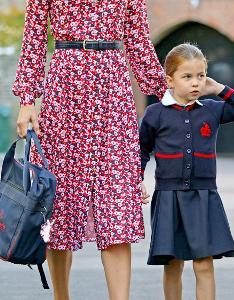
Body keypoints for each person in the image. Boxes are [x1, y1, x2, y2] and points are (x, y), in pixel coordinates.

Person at [13, 0, 167, 299]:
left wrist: (168, 95)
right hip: (63, 87)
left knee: (116, 200)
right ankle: (61, 297)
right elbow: (33, 36)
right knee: (58, 203)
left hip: (112, 87)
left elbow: (138, 41)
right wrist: (27, 99)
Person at [139, 43, 234, 300]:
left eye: (201, 76)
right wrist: (137, 180)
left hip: (204, 196)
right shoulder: (155, 113)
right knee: (172, 264)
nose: (196, 83)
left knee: (204, 263)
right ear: (169, 80)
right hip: (168, 197)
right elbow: (141, 150)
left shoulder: (212, 109)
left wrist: (219, 89)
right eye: (187, 76)